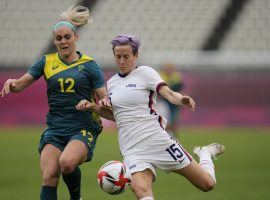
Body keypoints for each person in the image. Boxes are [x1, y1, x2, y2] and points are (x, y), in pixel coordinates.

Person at [76, 34, 225, 200]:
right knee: (141, 191)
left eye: (126, 56)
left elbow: (168, 93)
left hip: (158, 141)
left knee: (207, 184)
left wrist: (181, 99)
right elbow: (117, 116)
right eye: (118, 56)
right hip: (132, 149)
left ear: (136, 56)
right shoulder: (111, 83)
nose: (122, 61)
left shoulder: (145, 73)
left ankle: (205, 153)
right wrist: (93, 108)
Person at [0, 6, 110, 200]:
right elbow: (20, 84)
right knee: (49, 176)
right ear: (54, 41)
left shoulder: (90, 65)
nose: (63, 41)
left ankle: (76, 198)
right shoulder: (46, 62)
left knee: (66, 163)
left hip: (83, 126)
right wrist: (12, 83)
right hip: (56, 127)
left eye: (67, 37)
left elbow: (104, 96)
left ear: (76, 37)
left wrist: (105, 101)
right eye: (59, 38)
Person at [157, 63, 184, 138]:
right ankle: (169, 136)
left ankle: (173, 136)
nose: (168, 70)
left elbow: (177, 87)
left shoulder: (176, 76)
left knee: (173, 121)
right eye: (167, 68)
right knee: (166, 121)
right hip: (165, 103)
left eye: (170, 68)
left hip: (174, 104)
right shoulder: (161, 76)